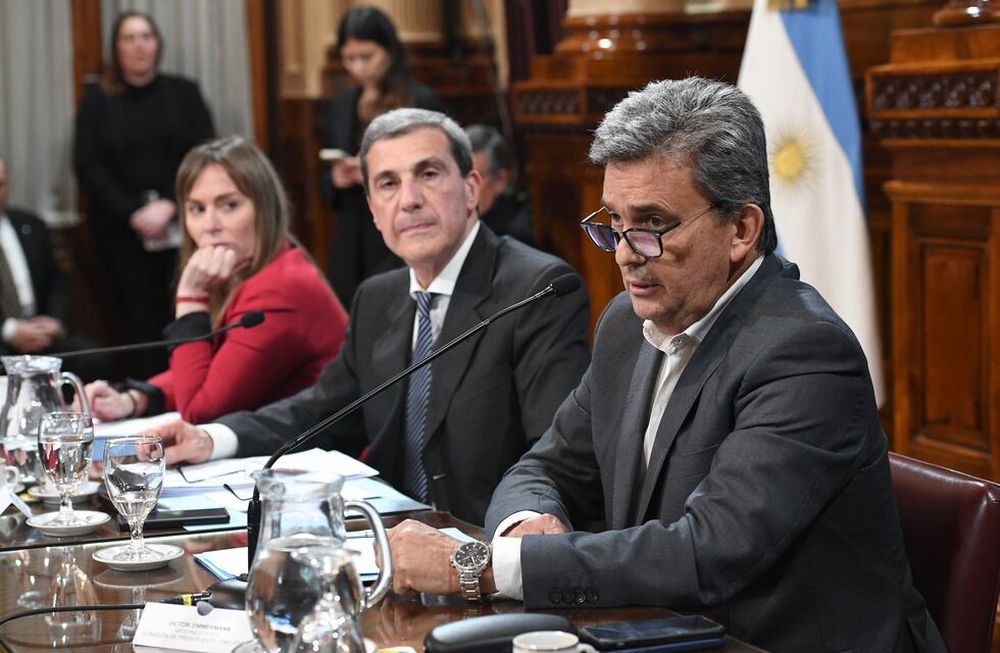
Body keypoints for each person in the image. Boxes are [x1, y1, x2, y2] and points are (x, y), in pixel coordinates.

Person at [385, 78, 947, 652]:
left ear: (741, 231)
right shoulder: (627, 326)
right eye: (616, 223)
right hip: (658, 632)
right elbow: (544, 469)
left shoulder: (804, 353)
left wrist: (481, 565)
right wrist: (528, 528)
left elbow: (707, 551)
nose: (627, 252)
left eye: (652, 224)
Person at [155, 108, 590, 525]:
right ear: (372, 209)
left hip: (484, 548)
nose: (409, 201)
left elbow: (554, 453)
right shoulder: (378, 297)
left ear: (472, 188)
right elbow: (318, 413)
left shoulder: (535, 289)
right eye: (387, 183)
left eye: (428, 174)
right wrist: (211, 438)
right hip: (389, 543)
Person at [85, 136, 347, 425]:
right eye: (197, 209)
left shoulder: (281, 289)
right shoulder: (258, 268)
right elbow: (217, 369)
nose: (209, 226)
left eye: (229, 206)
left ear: (264, 208)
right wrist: (135, 398)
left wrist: (190, 297)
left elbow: (200, 411)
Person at [74, 10, 215, 378]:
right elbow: (88, 166)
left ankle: (186, 387)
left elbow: (202, 154)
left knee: (183, 310)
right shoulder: (98, 100)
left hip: (180, 223)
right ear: (116, 48)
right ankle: (146, 394)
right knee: (135, 319)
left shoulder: (183, 93)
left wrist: (170, 202)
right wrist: (133, 214)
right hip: (122, 232)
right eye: (129, 38)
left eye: (146, 37)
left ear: (158, 44)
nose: (139, 47)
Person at [323, 5, 447, 306]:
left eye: (367, 57)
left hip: (404, 220)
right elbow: (325, 184)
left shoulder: (419, 100)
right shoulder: (343, 104)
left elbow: (439, 165)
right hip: (355, 226)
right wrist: (336, 177)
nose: (358, 68)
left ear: (389, 51)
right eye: (349, 59)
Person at [0, 157, 109, 381]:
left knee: (94, 358)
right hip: (3, 342)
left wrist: (54, 321)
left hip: (40, 333)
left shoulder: (30, 225)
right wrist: (8, 330)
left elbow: (57, 282)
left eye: (0, 184)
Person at [465, 125, 534, 246]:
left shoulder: (516, 237)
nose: (462, 187)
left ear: (501, 181)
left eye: (474, 178)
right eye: (458, 174)